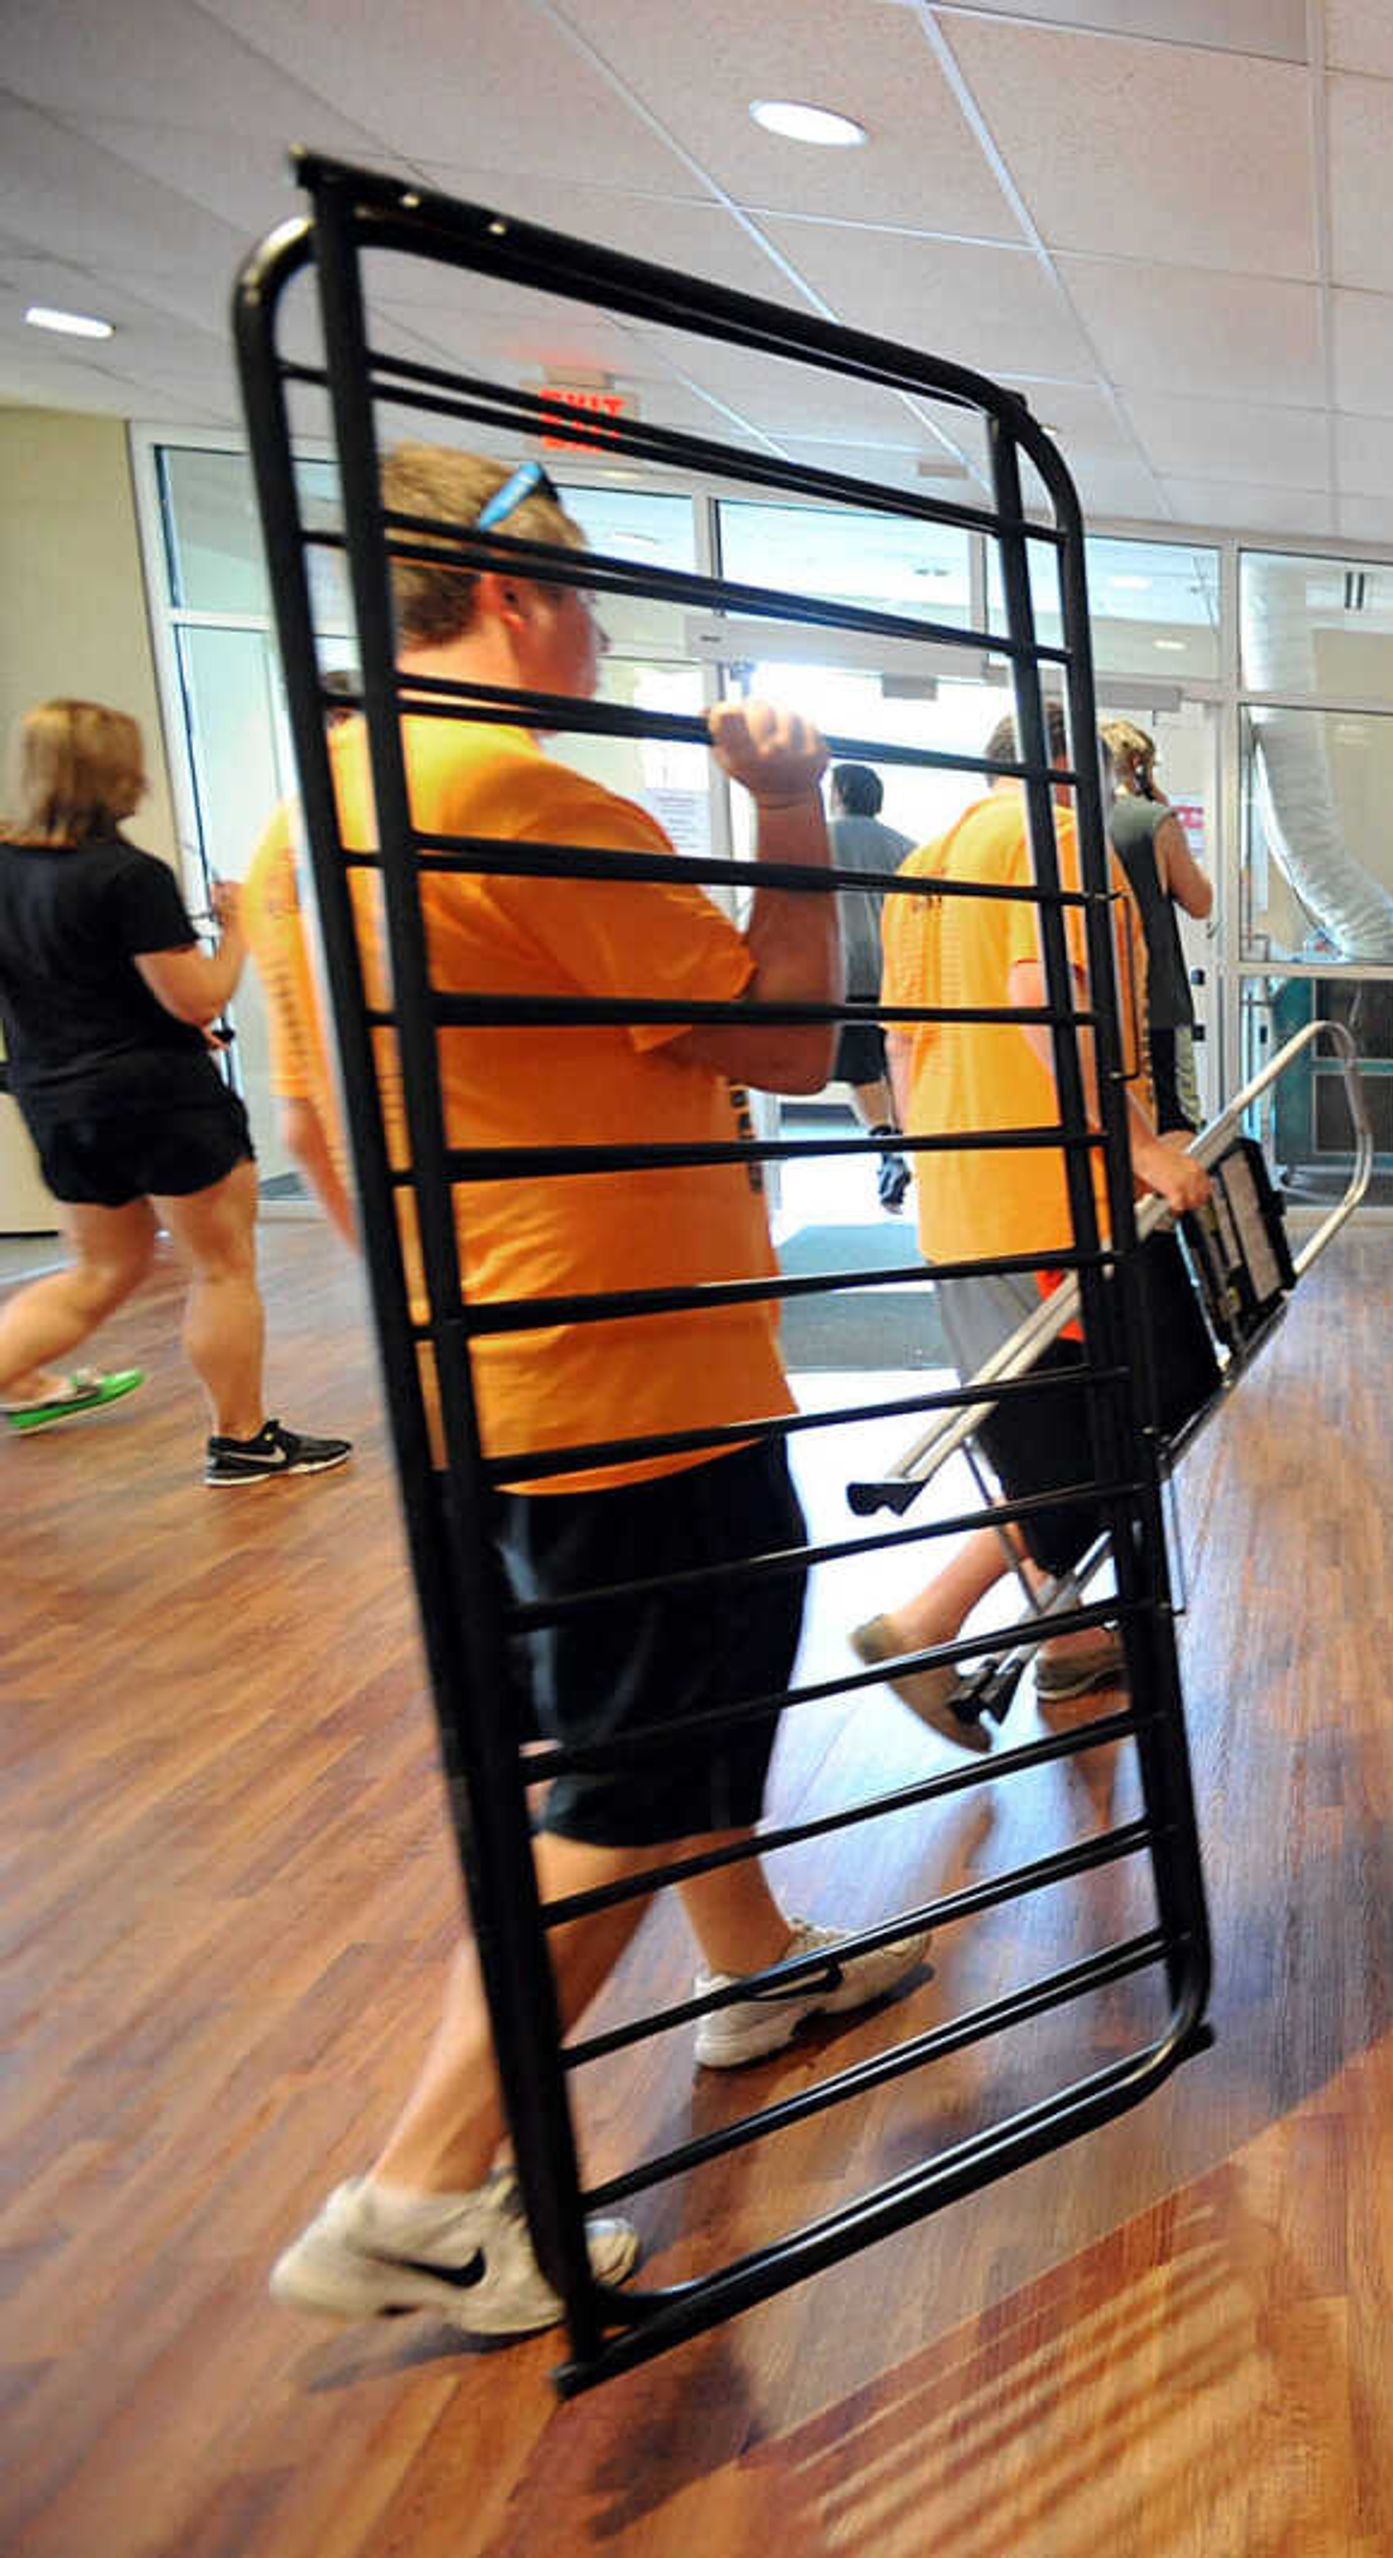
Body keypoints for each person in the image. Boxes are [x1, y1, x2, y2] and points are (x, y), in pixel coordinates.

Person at [257, 445, 925, 2339]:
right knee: (634, 1767)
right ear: (516, 599)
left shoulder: (314, 820)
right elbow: (794, 1034)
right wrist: (787, 810)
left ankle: (757, 1970)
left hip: (493, 1367)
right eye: (591, 595)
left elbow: (313, 1116)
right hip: (638, 1372)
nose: (605, 629)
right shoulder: (529, 801)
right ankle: (420, 2188)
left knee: (651, 1717)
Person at [852, 705, 1214, 1749]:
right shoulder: (1054, 836)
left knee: (1063, 1427)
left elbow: (904, 1044)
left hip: (969, 1205)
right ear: (1074, 768)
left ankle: (1065, 1640)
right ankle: (928, 1619)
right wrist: (1140, 1146)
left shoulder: (928, 864)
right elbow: (1042, 997)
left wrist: (937, 1171)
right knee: (1151, 1404)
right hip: (1056, 1200)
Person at [0, 697, 349, 1482]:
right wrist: (239, 931)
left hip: (58, 1102)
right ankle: (243, 1439)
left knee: (97, 1273)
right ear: (112, 774)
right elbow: (196, 998)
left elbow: (65, 985)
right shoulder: (130, 877)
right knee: (222, 1268)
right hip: (161, 1105)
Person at [1098, 719, 1213, 1130]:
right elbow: (1200, 902)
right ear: (1138, 764)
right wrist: (1167, 814)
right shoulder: (1151, 820)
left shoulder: (1070, 818)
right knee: (1174, 1124)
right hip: (1157, 1001)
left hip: (1097, 1001)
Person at [824, 761, 918, 1212]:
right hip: (898, 972)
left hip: (843, 972)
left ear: (839, 792)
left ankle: (885, 1143)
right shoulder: (906, 847)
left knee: (861, 1071)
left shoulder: (816, 841)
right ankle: (912, 1145)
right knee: (899, 1061)